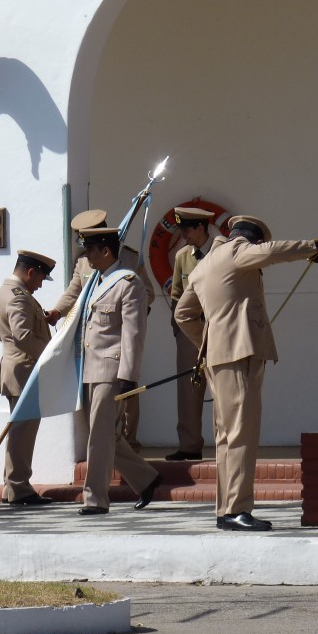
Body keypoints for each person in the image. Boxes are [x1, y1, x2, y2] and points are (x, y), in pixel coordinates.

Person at [174, 215, 318, 531]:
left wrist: (209, 340)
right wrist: (313, 247)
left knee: (226, 437)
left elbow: (182, 314)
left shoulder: (203, 266)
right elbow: (271, 252)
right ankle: (237, 510)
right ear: (250, 240)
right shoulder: (237, 251)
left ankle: (225, 510)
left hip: (218, 357)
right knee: (242, 433)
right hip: (240, 355)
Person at [47, 209, 155, 453]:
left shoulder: (128, 259)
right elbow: (74, 292)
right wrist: (57, 312)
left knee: (126, 401)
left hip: (119, 340)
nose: (82, 245)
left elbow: (146, 293)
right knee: (98, 424)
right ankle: (135, 471)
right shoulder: (84, 262)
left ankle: (132, 445)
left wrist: (131, 312)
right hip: (92, 347)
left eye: (86, 239)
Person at [74, 226, 162, 515]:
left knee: (98, 437)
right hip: (89, 369)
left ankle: (95, 498)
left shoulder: (128, 283)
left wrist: (128, 375)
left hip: (111, 370)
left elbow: (133, 334)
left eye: (89, 251)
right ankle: (146, 478)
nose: (86, 256)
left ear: (106, 251)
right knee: (106, 435)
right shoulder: (95, 282)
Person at [0, 250, 56, 506]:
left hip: (18, 369)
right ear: (31, 272)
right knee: (23, 433)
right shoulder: (18, 298)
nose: (40, 284)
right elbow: (23, 336)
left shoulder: (4, 292)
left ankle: (12, 486)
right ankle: (19, 486)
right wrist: (52, 354)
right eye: (40, 278)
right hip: (24, 370)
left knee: (19, 431)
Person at [165, 205, 215, 461]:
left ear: (200, 227)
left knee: (222, 388)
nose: (183, 234)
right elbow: (176, 294)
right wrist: (178, 329)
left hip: (218, 329)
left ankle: (227, 446)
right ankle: (189, 445)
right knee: (188, 390)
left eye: (186, 229)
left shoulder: (221, 252)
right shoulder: (182, 256)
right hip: (190, 331)